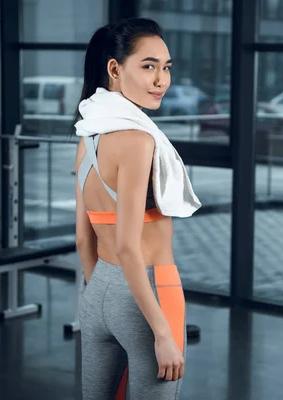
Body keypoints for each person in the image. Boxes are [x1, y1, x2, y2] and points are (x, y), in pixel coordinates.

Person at [72, 18, 201, 400]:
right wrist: (161, 332)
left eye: (166, 67)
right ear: (115, 69)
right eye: (148, 66)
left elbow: (83, 238)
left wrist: (102, 296)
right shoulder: (138, 140)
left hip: (97, 292)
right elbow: (129, 246)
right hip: (150, 291)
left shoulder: (88, 134)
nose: (161, 80)